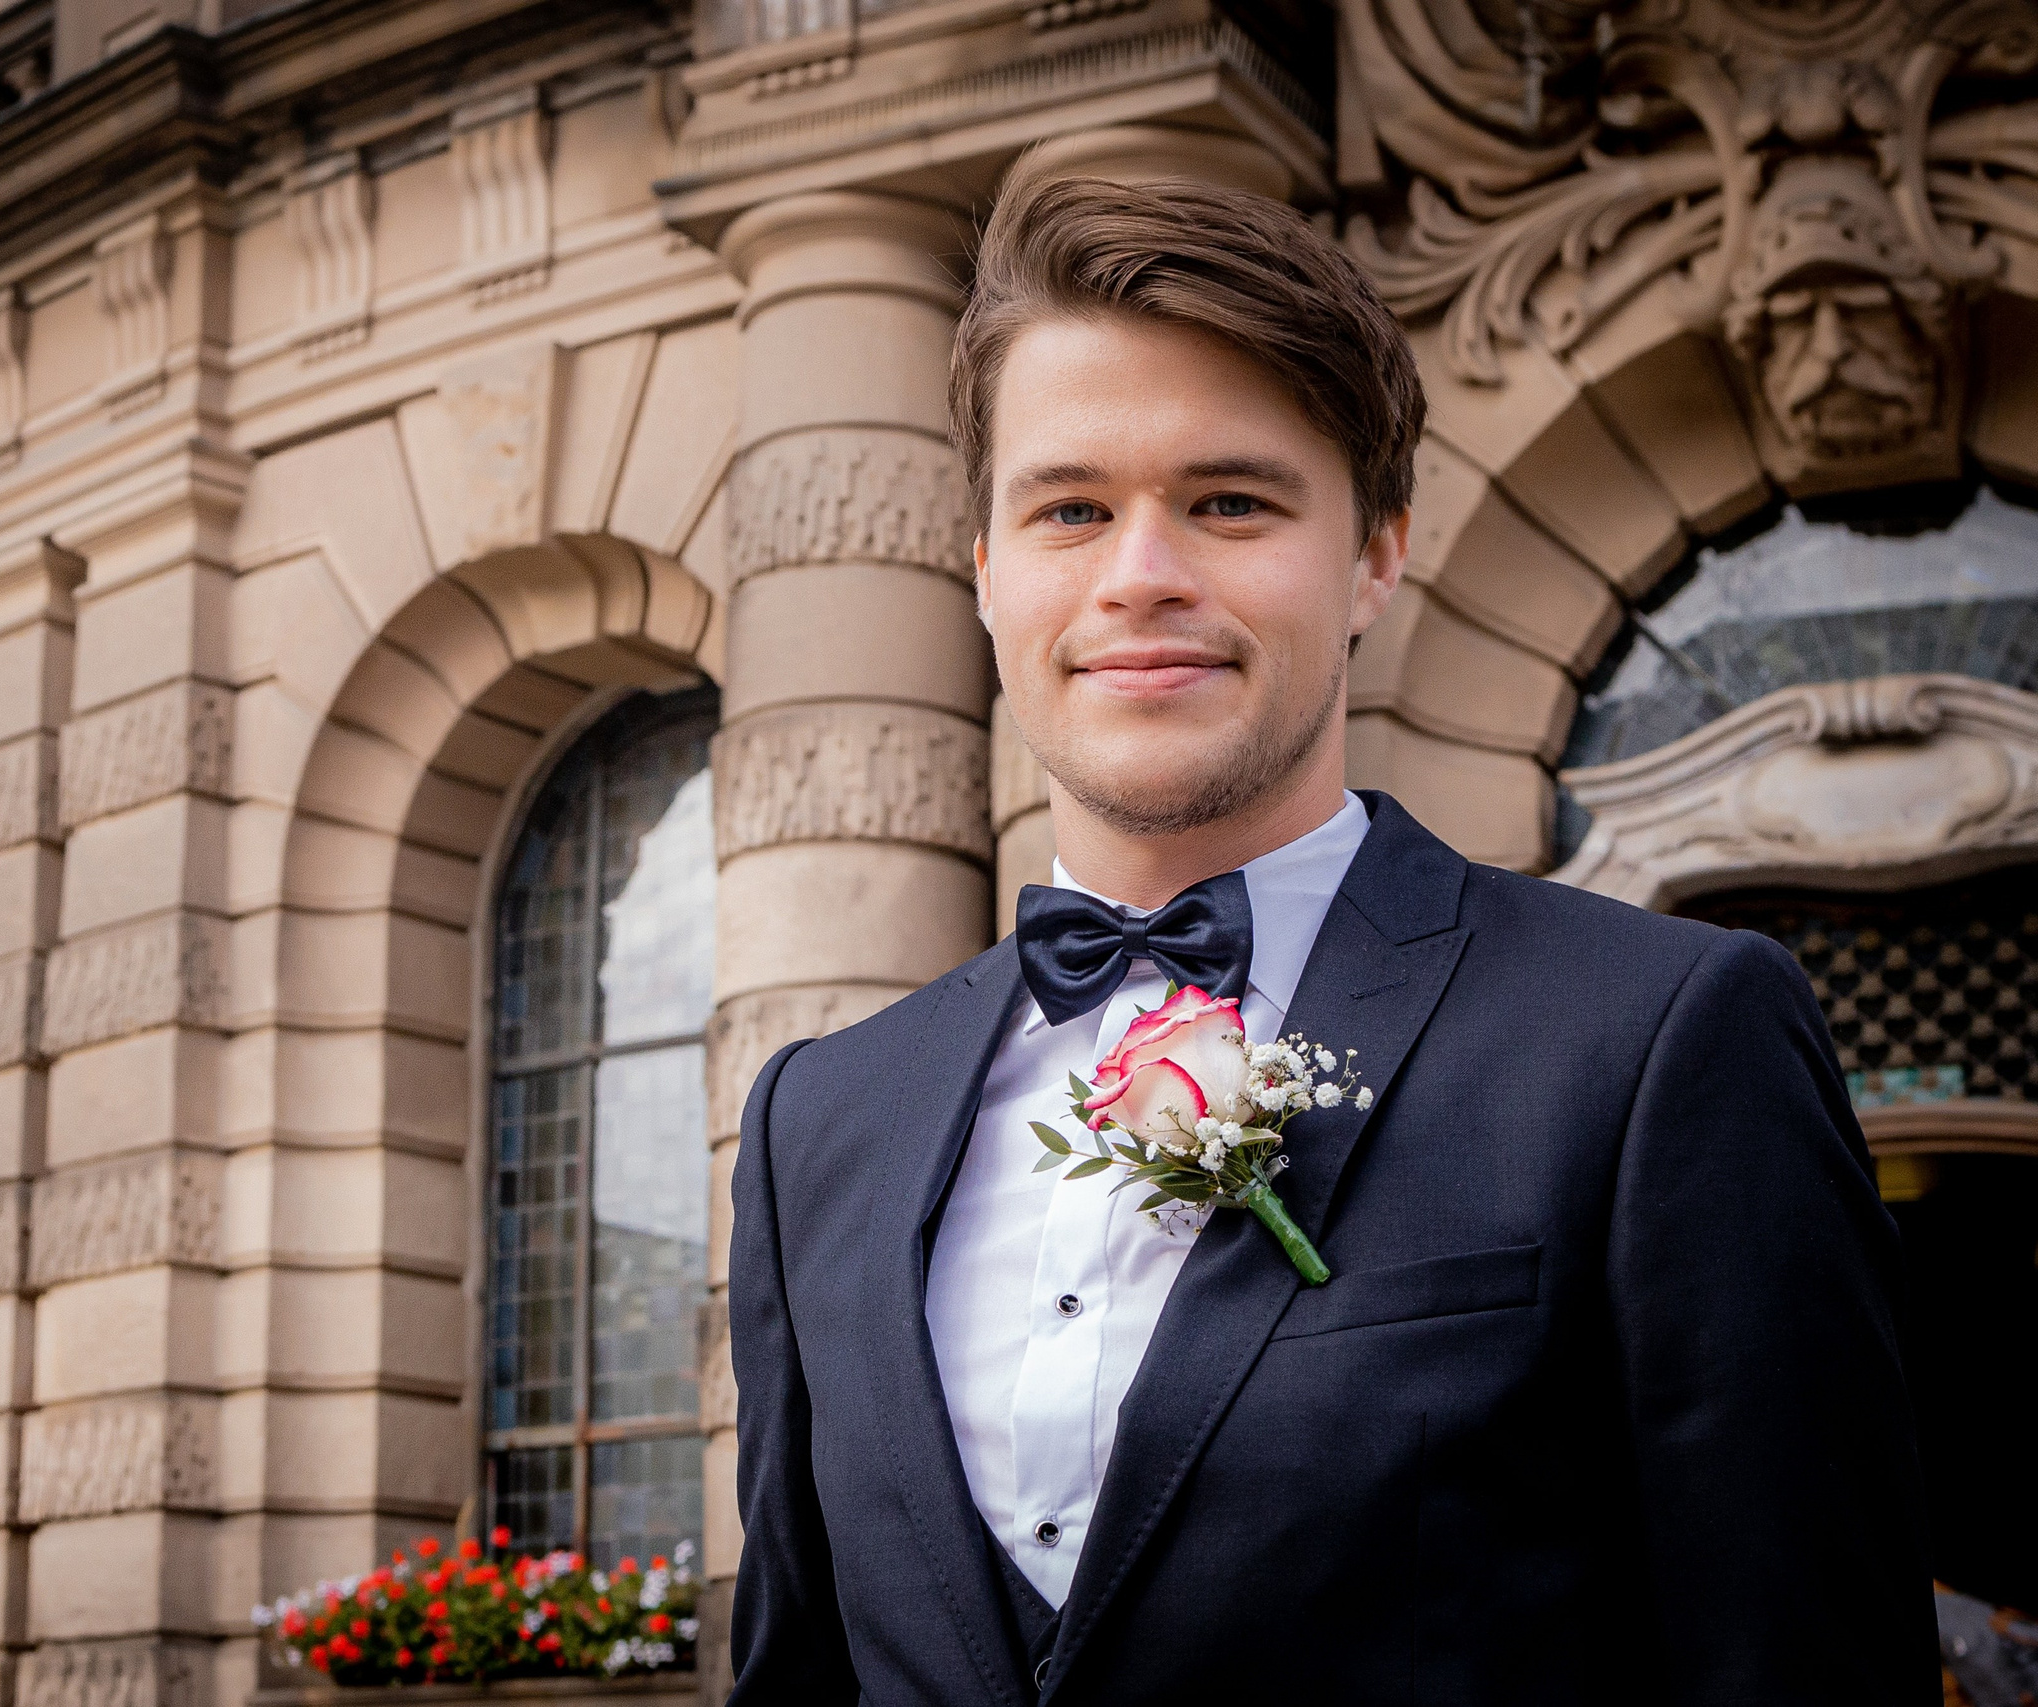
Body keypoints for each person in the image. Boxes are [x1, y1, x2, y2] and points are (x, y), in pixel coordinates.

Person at [724, 168, 1935, 1705]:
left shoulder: (1663, 1038)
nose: (1140, 573)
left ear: (1375, 555)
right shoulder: (818, 1123)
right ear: (985, 570)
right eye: (1070, 509)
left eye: (1229, 502)